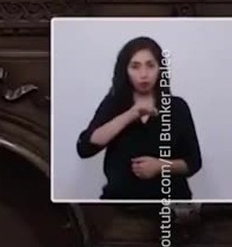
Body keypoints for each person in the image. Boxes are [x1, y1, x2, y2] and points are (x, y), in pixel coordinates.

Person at [76, 36, 203, 201]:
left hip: (169, 203)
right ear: (125, 70)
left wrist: (160, 166)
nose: (143, 74)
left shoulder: (177, 107)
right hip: (120, 204)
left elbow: (194, 162)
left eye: (150, 65)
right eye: (135, 67)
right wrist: (132, 114)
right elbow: (85, 148)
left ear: (160, 69)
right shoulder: (114, 103)